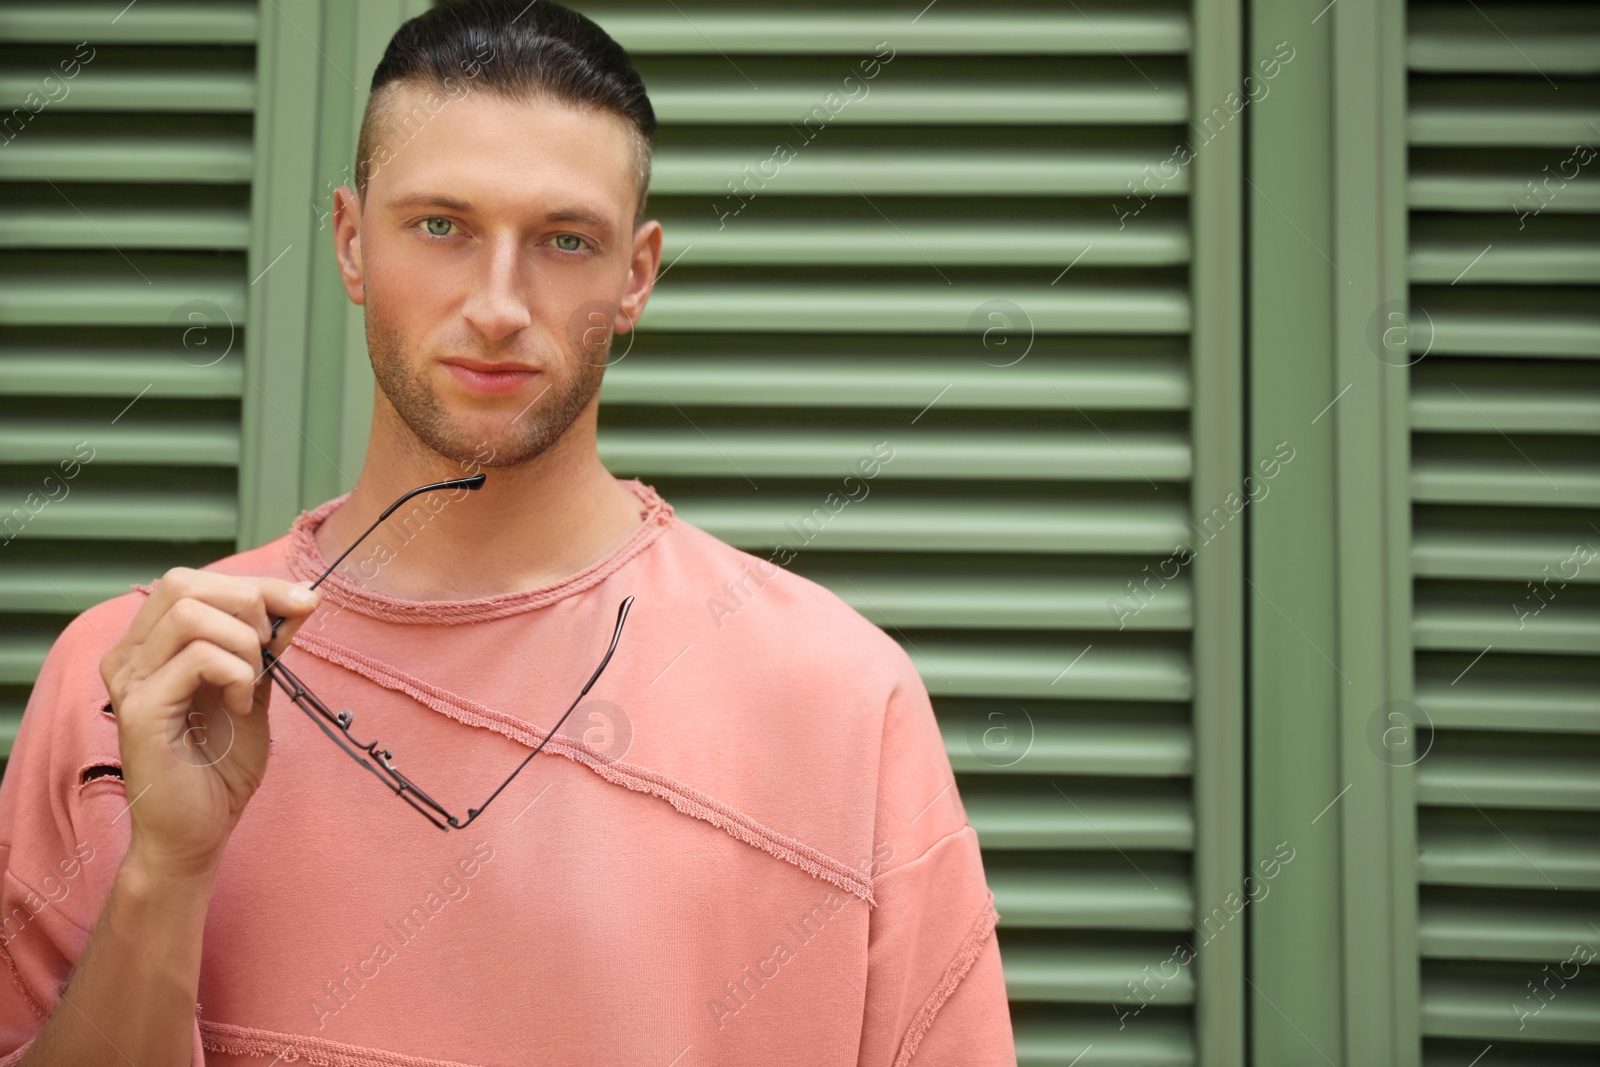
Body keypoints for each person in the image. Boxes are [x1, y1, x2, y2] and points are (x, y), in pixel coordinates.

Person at [0, 2, 1015, 1063]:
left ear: (635, 275)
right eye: (440, 225)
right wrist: (166, 871)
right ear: (350, 244)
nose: (496, 303)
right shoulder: (133, 681)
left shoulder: (841, 696)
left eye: (563, 240)